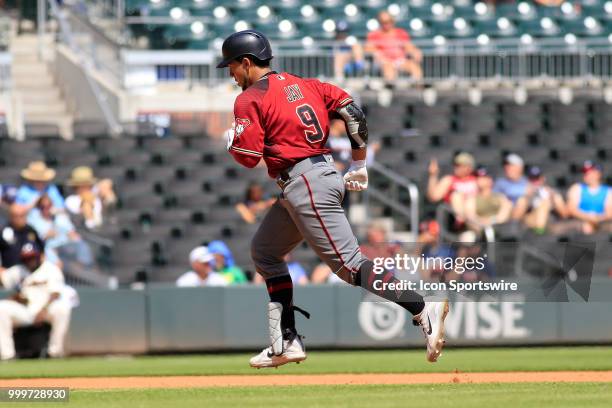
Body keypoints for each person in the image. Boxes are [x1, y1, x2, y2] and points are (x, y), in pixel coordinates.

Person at [217, 30, 448, 368]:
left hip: (305, 184)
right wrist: (358, 162)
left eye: (233, 66)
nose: (231, 73)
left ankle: (420, 307)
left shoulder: (250, 98)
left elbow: (248, 157)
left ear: (247, 62)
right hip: (317, 176)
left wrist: (231, 142)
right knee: (265, 252)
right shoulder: (308, 84)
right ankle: (286, 341)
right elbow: (353, 112)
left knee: (350, 267)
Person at [0, 243, 72, 360]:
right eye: (26, 258)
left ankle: (54, 352)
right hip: (26, 310)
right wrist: (16, 298)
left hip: (47, 308)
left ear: (40, 256)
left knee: (62, 309)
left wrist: (43, 310)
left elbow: (56, 293)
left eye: (32, 257)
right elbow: (2, 278)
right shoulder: (19, 270)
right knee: (1, 308)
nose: (30, 260)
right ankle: (7, 355)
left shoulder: (50, 269)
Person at [27, 195, 94, 269]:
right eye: (43, 206)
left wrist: (72, 236)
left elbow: (72, 232)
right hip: (48, 248)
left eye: (49, 206)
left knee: (81, 244)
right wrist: (46, 236)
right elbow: (33, 239)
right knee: (55, 259)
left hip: (65, 245)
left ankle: (87, 268)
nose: (46, 209)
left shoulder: (60, 217)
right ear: (39, 207)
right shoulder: (33, 220)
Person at [365, 11, 423, 80]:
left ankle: (417, 88)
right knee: (388, 69)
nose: (386, 24)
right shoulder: (374, 35)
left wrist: (414, 51)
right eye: (383, 22)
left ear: (393, 21)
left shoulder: (401, 33)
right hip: (384, 61)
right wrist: (377, 54)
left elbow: (408, 46)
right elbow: (368, 48)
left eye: (389, 21)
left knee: (414, 68)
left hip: (400, 60)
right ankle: (390, 89)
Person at [0, 204, 45, 289]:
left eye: (22, 215)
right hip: (11, 274)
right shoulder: (3, 232)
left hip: (32, 273)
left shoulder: (31, 230)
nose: (20, 219)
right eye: (16, 216)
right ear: (11, 217)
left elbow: (41, 250)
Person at [512, 166, 568, 233]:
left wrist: (553, 198)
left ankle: (540, 231)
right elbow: (516, 216)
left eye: (537, 178)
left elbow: (564, 214)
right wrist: (527, 196)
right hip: (531, 221)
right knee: (522, 201)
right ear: (528, 180)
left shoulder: (552, 193)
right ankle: (539, 231)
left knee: (551, 201)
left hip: (550, 221)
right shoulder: (524, 194)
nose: (535, 182)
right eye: (532, 179)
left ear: (543, 178)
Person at [427, 153, 478, 223]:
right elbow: (433, 197)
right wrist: (433, 176)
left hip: (476, 213)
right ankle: (464, 221)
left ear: (469, 167)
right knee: (456, 196)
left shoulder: (476, 180)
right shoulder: (449, 180)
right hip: (454, 218)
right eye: (455, 165)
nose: (456, 167)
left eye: (460, 165)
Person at [566, 161, 612, 234]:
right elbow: (572, 209)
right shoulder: (577, 188)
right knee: (587, 227)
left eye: (589, 172)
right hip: (581, 221)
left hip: (602, 221)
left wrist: (596, 219)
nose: (586, 174)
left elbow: (609, 213)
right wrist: (589, 217)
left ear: (598, 173)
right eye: (585, 172)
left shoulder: (609, 191)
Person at [465, 166, 512, 232]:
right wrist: (481, 222)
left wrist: (491, 220)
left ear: (490, 180)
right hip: (478, 229)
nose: (480, 180)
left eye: (484, 178)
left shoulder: (500, 197)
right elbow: (471, 216)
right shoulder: (472, 198)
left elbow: (503, 215)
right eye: (478, 177)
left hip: (498, 228)